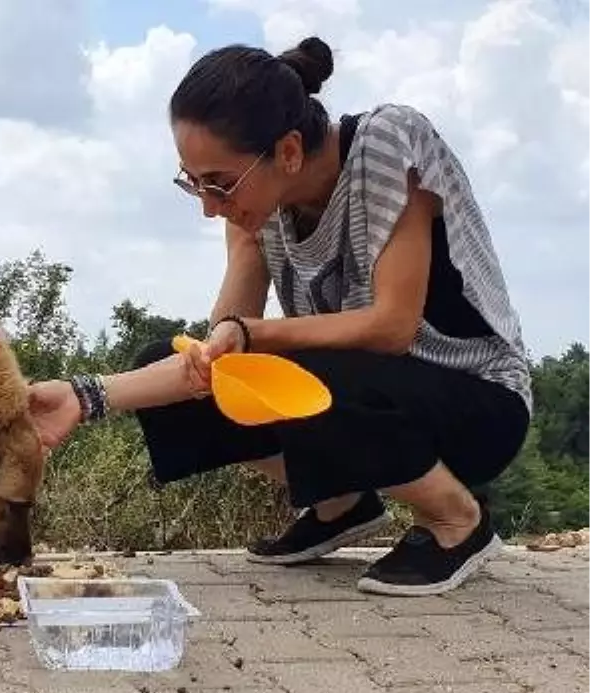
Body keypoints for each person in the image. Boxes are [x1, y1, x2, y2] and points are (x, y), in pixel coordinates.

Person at [26, 36, 533, 597]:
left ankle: (457, 522)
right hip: (365, 401)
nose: (207, 204)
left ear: (288, 152)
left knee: (314, 372)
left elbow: (391, 327)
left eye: (218, 182)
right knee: (192, 373)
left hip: (479, 404)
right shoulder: (255, 209)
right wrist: (84, 395)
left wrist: (252, 334)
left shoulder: (389, 142)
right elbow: (220, 357)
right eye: (193, 182)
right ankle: (341, 503)